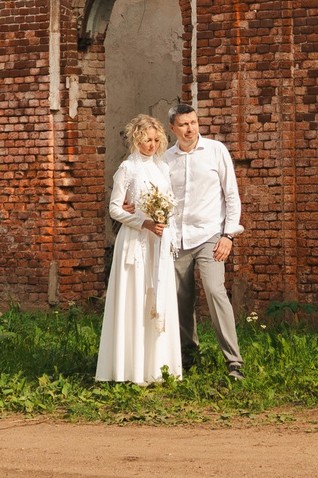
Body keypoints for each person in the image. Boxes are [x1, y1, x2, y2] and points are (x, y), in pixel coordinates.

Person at [95, 114, 182, 385]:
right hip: (135, 242)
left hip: (158, 241)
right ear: (136, 138)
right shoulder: (127, 168)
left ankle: (158, 367)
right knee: (135, 300)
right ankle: (129, 369)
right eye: (146, 139)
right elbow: (114, 208)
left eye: (156, 140)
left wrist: (166, 226)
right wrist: (142, 221)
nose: (152, 144)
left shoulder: (162, 167)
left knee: (158, 299)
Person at [164, 103, 244, 381]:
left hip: (210, 235)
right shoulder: (165, 159)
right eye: (184, 124)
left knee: (214, 290)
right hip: (176, 238)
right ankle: (188, 354)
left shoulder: (216, 151)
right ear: (173, 128)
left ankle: (234, 361)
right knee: (180, 299)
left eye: (194, 123)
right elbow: (160, 198)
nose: (190, 129)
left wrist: (228, 235)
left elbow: (231, 196)